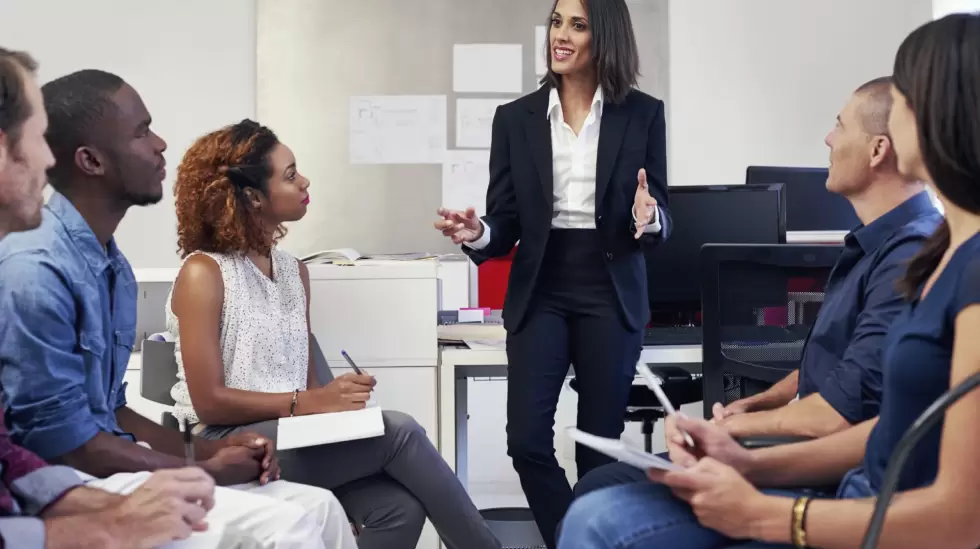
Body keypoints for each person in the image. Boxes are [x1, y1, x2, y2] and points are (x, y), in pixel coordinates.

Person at [559, 12, 980, 549]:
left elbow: (959, 515)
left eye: (907, 100)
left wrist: (764, 513)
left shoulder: (951, 262)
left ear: (945, 116)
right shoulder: (942, 254)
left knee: (600, 520)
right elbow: (891, 428)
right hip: (851, 488)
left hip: (857, 507)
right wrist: (746, 463)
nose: (894, 115)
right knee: (598, 508)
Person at [0, 68, 357, 549]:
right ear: (91, 161)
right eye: (142, 131)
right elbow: (67, 445)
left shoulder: (112, 266)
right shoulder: (35, 269)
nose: (162, 143)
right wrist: (202, 467)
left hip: (104, 466)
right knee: (287, 525)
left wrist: (216, 450)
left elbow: (113, 412)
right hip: (74, 480)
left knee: (320, 507)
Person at [572, 77, 943, 497]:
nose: (827, 137)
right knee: (600, 483)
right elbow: (832, 370)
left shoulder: (909, 254)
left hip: (823, 472)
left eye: (839, 126)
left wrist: (737, 427)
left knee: (598, 493)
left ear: (877, 149)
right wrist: (756, 403)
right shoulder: (871, 243)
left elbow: (843, 412)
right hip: (799, 445)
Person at [165, 118, 502, 549]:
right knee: (399, 431)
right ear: (251, 197)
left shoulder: (292, 271)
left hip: (289, 435)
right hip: (223, 443)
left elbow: (306, 384)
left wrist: (336, 401)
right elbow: (208, 403)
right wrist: (310, 402)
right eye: (289, 176)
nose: (304, 181)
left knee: (398, 508)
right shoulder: (204, 272)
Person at [433, 0, 670, 545]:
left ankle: (589, 533)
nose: (561, 35)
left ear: (604, 36)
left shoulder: (643, 113)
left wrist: (649, 216)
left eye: (578, 25)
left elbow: (659, 208)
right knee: (528, 442)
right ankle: (576, 538)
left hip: (611, 284)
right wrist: (479, 233)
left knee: (597, 448)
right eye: (557, 22)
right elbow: (506, 218)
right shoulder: (515, 118)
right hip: (541, 285)